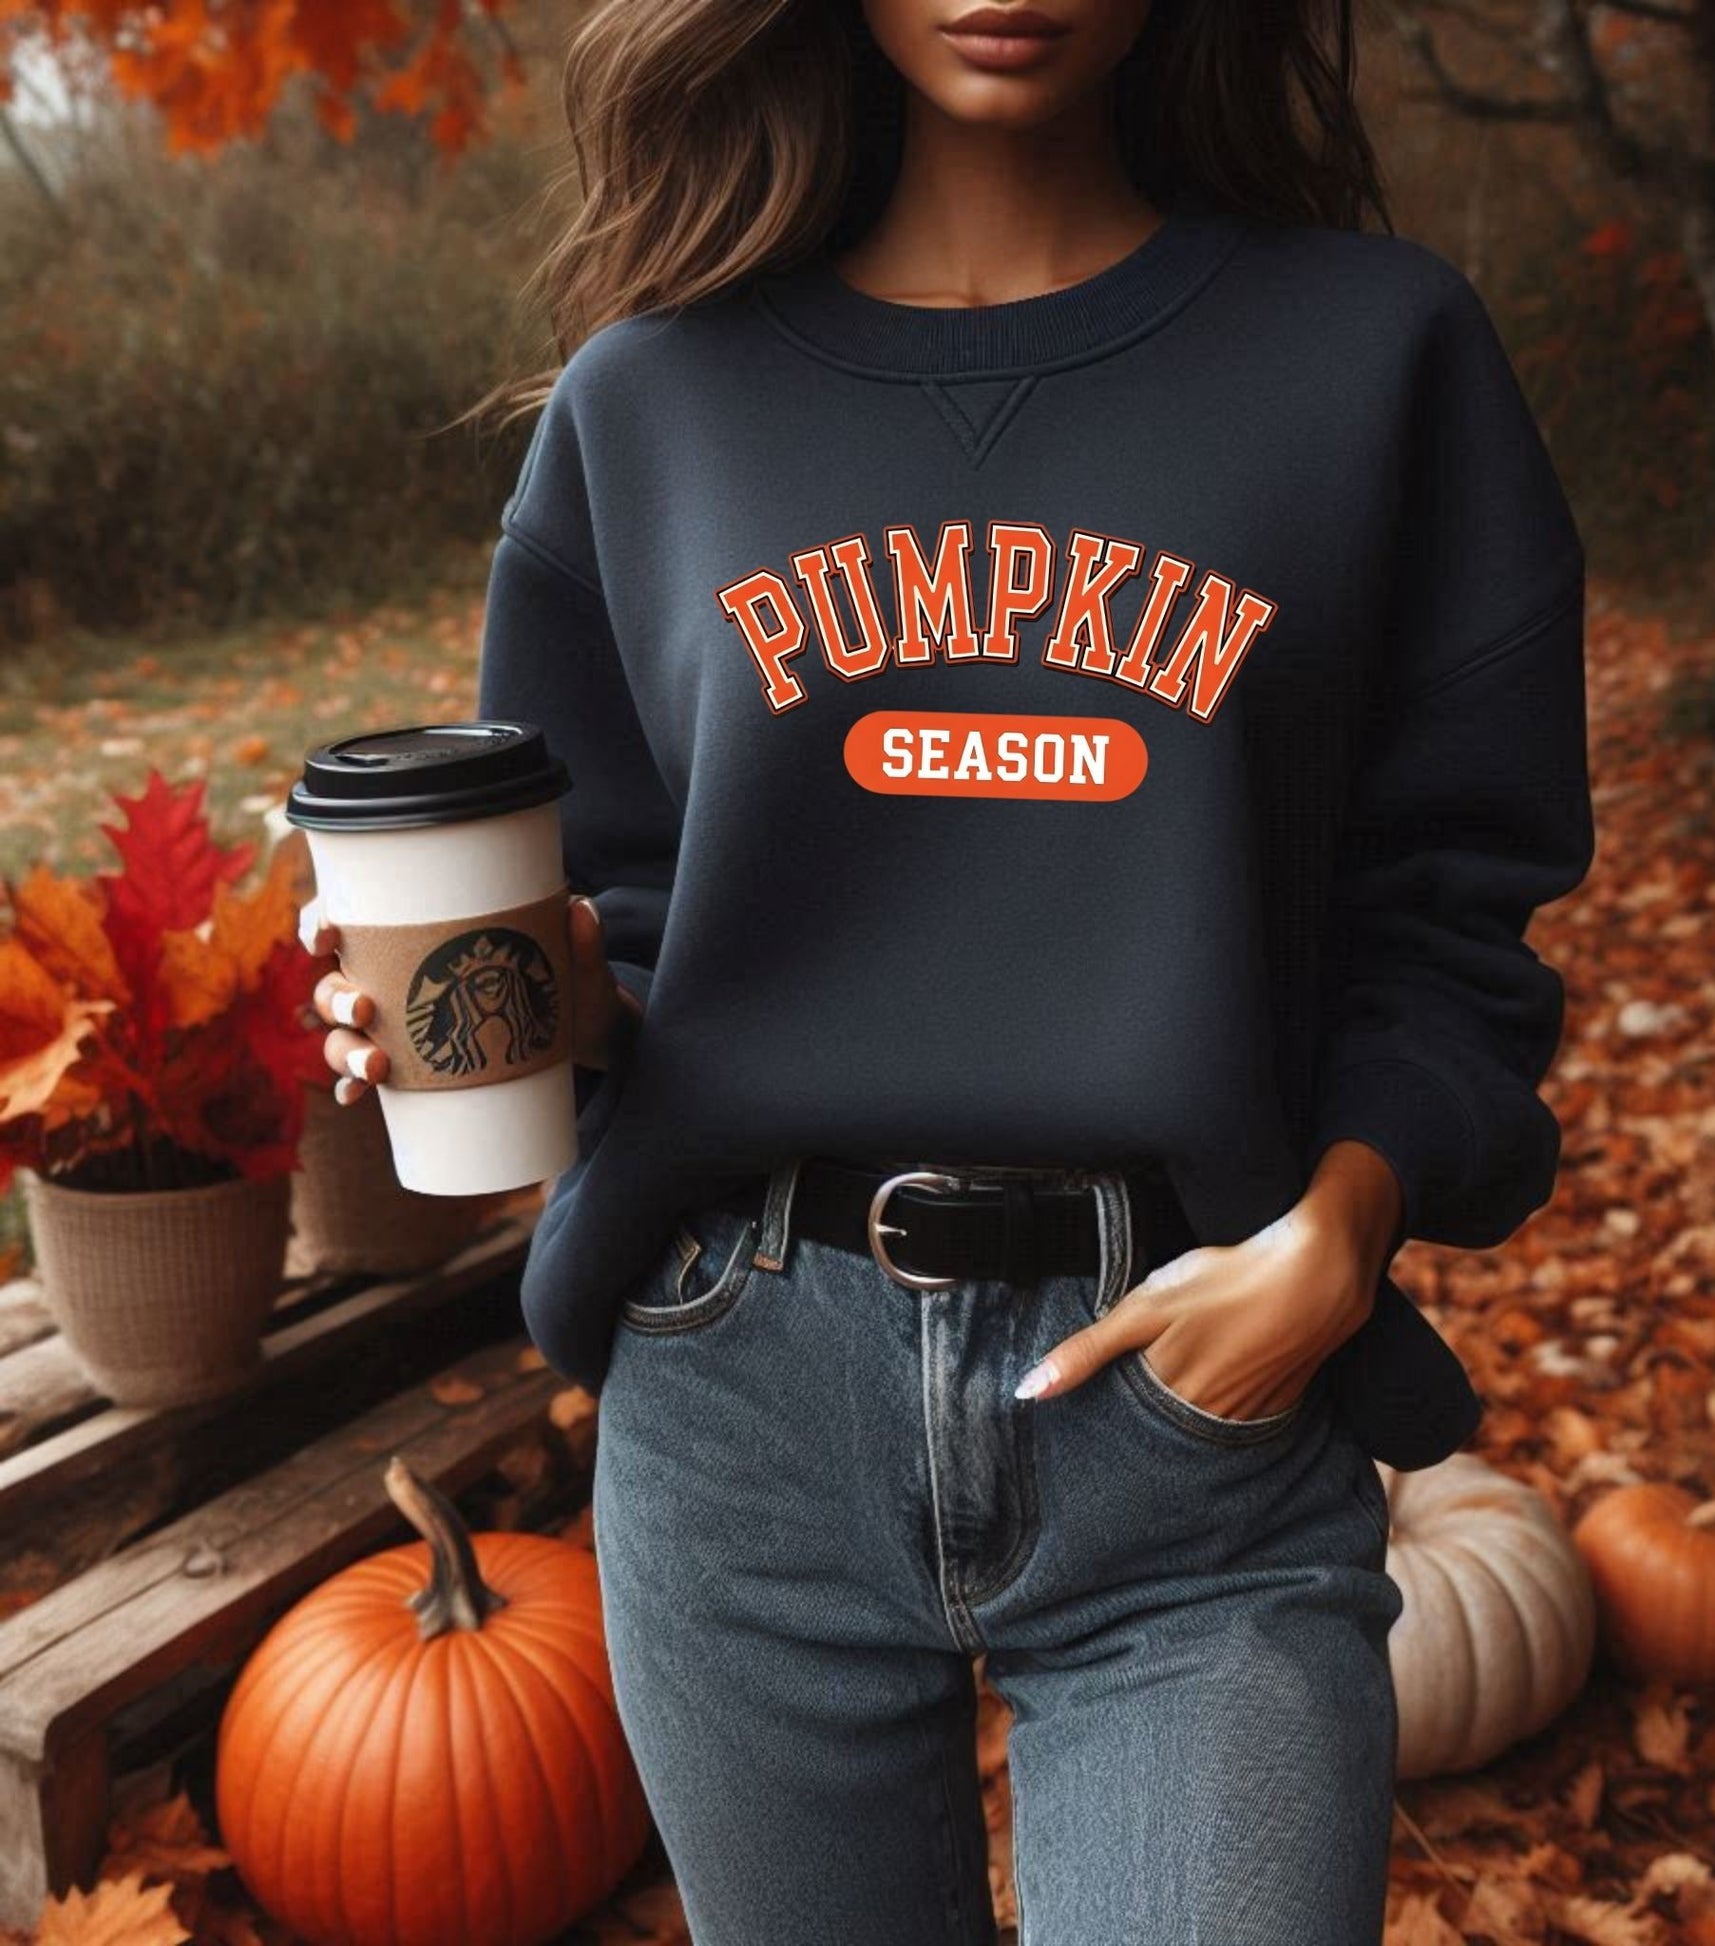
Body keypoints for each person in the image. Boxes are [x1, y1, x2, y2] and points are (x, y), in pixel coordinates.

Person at [310, 0, 1597, 1938]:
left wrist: (1338, 1229)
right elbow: (633, 926)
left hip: (1189, 1415)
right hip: (742, 1418)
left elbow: (1452, 902)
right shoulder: (650, 403)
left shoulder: (1372, 354)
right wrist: (531, 1008)